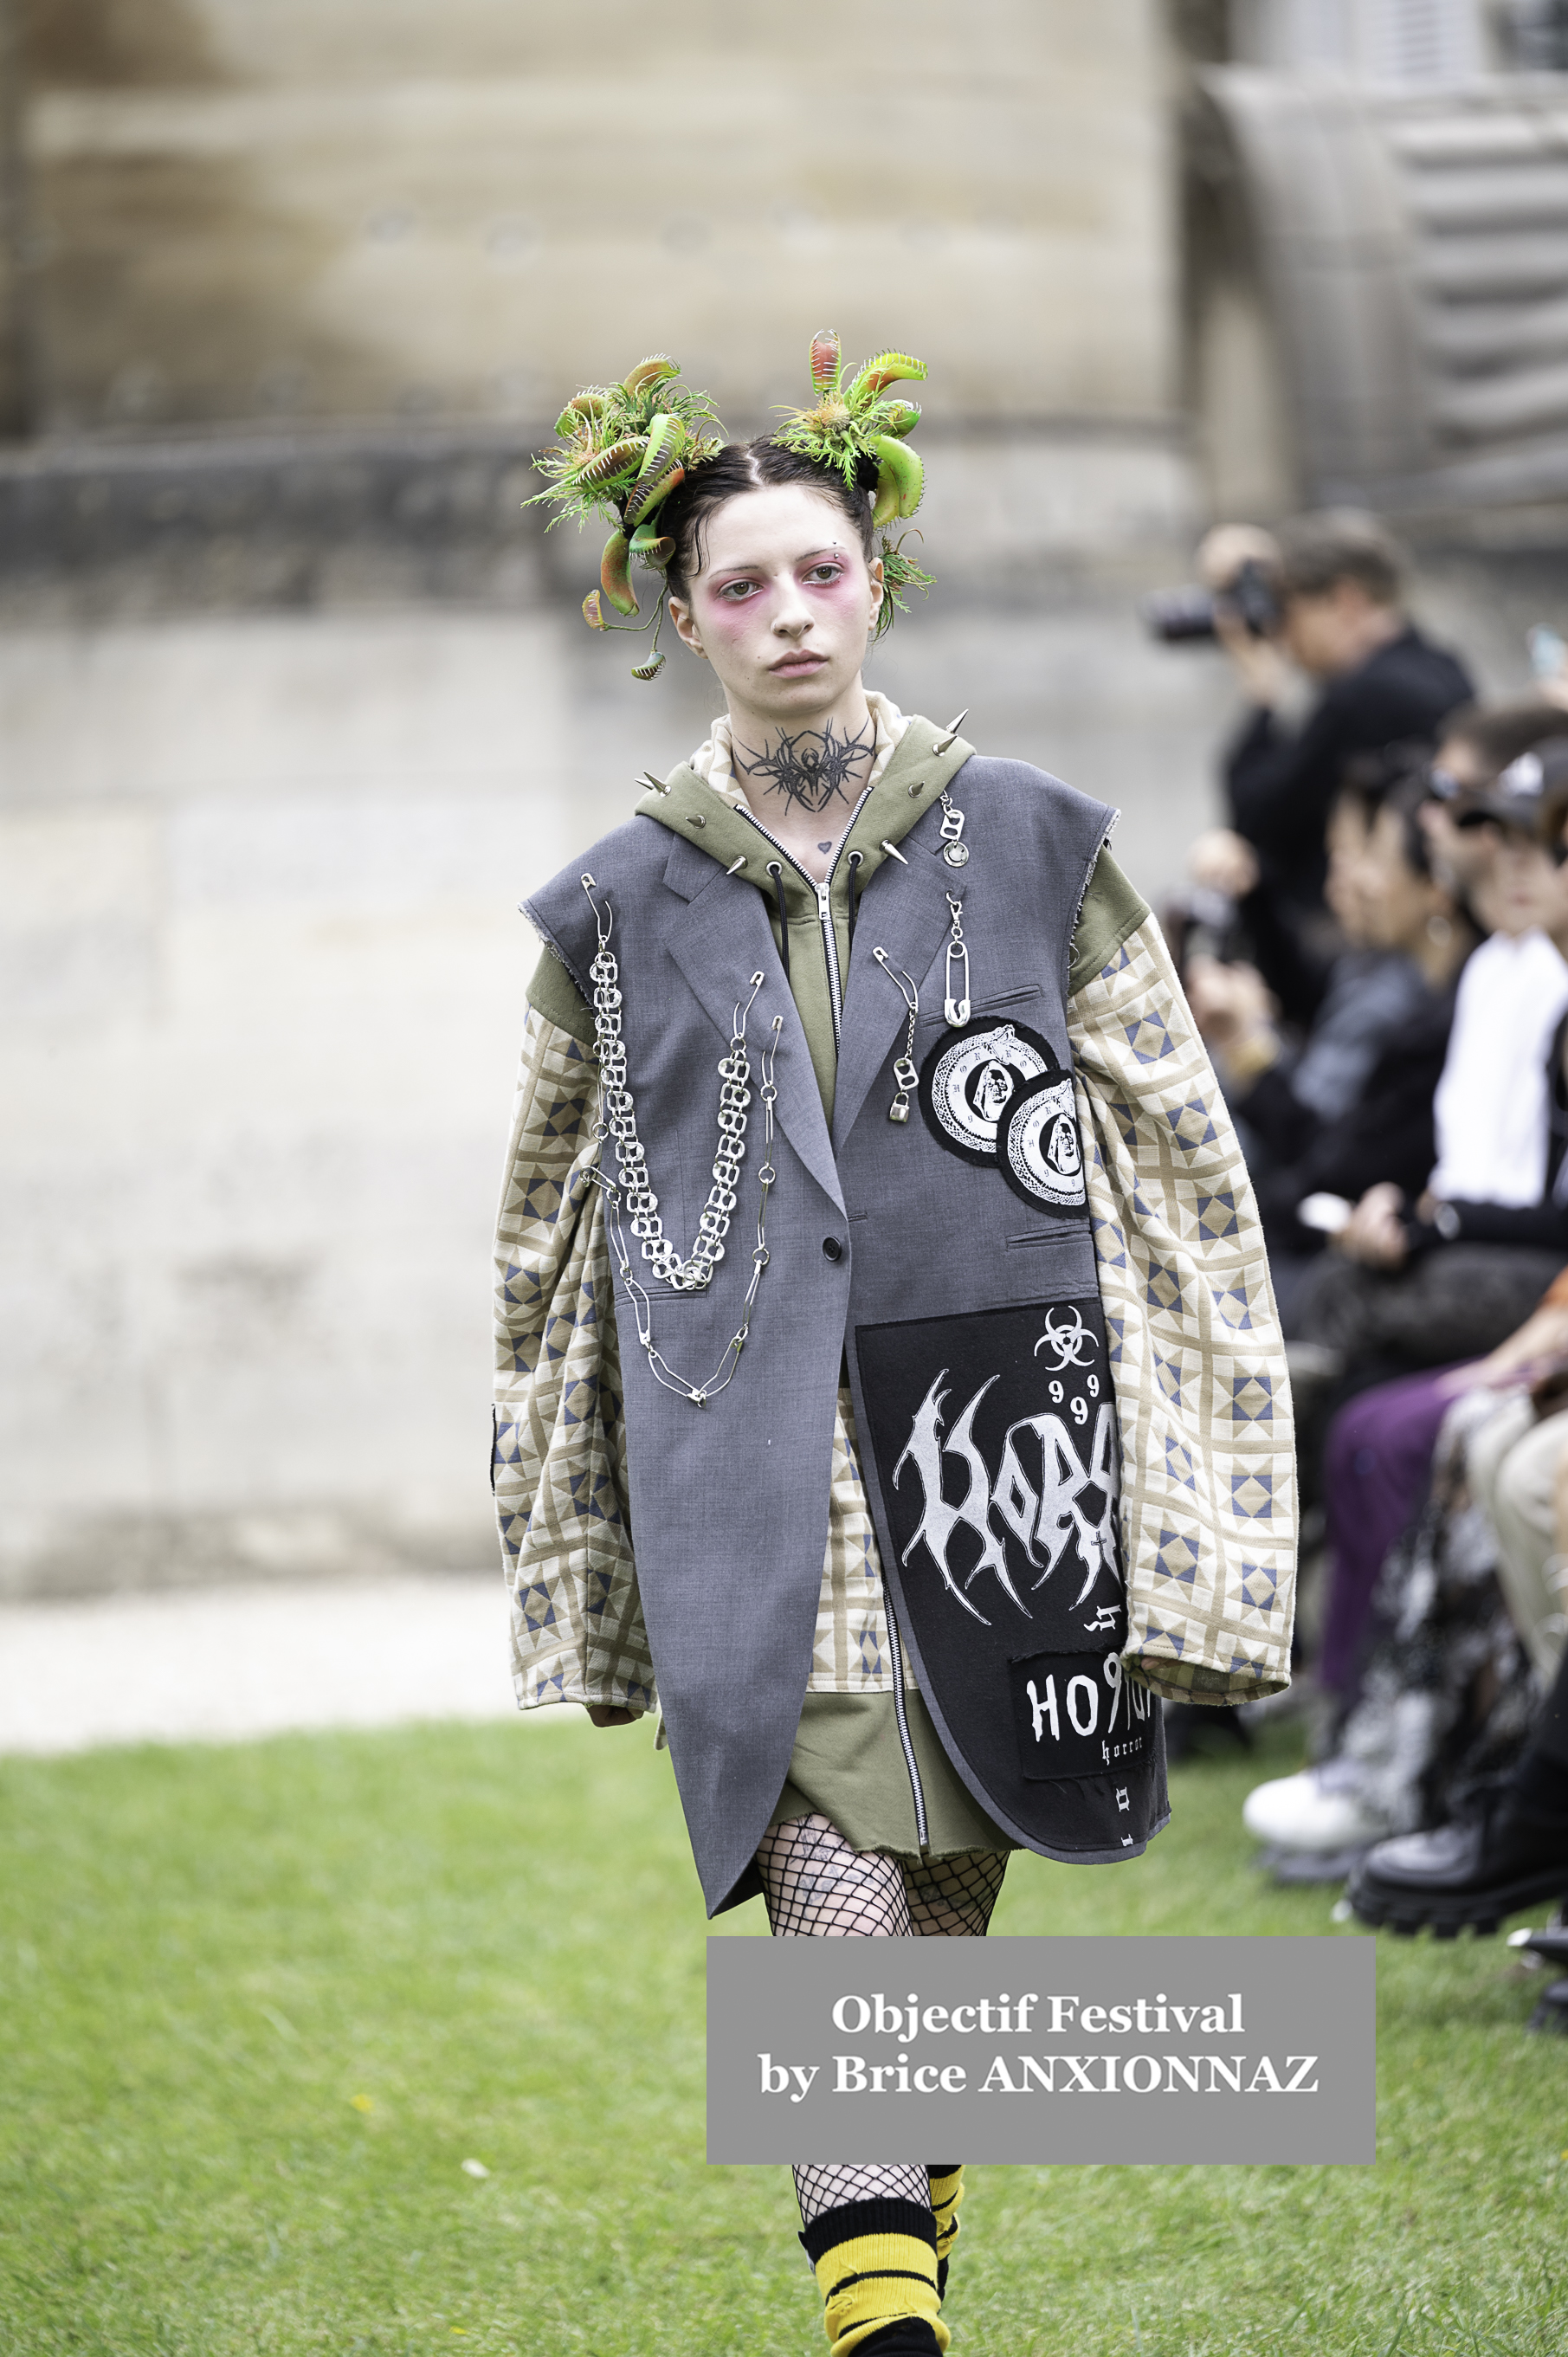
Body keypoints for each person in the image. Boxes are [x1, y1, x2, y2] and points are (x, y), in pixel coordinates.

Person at [492, 337, 1295, 2356]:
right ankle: (890, 2330)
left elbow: (1178, 1149)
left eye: (819, 573)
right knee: (831, 1891)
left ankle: (891, 2241)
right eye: (741, 584)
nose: (785, 614)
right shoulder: (608, 905)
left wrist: (1205, 1492)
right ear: (674, 615)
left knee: (937, 1924)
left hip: (1001, 1452)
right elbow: (543, 1235)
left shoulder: (1027, 835)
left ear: (875, 584)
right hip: (738, 1466)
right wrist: (572, 1554)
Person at [1190, 759, 1478, 1321]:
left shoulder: (1410, 1006)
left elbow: (1324, 1156)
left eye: (1367, 855)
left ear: (1437, 884)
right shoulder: (1387, 975)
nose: (1352, 878)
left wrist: (1250, 1046)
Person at [1188, 511, 1472, 1026]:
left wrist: (1260, 690)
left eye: (1288, 612)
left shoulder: (1365, 695)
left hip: (1367, 965)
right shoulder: (1441, 668)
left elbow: (1255, 817)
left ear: (1345, 600)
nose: (1281, 637)